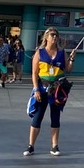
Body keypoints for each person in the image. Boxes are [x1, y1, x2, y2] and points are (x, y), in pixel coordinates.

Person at [24, 28, 74, 157]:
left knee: (55, 117)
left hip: (57, 89)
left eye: (56, 35)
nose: (55, 37)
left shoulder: (62, 53)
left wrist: (72, 59)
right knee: (37, 117)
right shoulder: (39, 53)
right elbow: (34, 74)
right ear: (46, 37)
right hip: (42, 87)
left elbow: (68, 70)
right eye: (52, 35)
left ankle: (54, 146)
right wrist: (36, 89)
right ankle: (31, 146)